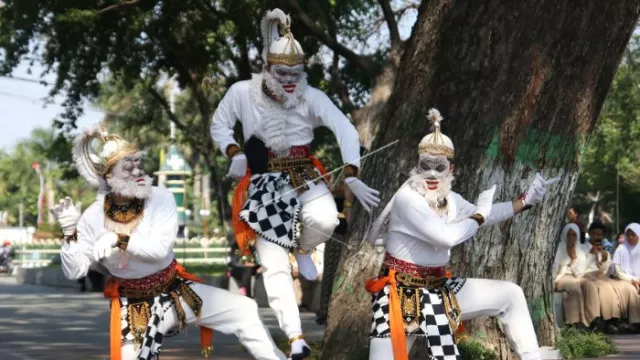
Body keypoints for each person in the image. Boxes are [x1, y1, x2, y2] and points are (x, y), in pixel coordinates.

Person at [210, 8, 379, 358]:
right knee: (272, 265)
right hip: (263, 185)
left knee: (326, 219)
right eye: (282, 72)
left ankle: (302, 250)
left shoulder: (311, 96)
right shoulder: (242, 92)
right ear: (268, 69)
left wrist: (351, 172)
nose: (289, 80)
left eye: (296, 73)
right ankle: (296, 338)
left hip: (303, 175)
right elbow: (219, 125)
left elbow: (345, 128)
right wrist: (234, 152)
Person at [51, 125, 286, 360]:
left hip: (175, 292)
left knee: (244, 310)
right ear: (109, 177)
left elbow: (158, 250)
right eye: (128, 167)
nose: (137, 170)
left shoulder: (162, 198)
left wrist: (119, 238)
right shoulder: (93, 217)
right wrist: (70, 232)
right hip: (135, 305)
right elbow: (75, 271)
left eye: (137, 163)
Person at [365, 109, 559, 360]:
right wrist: (478, 216)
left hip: (438, 288)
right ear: (416, 165)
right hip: (402, 296)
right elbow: (447, 236)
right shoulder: (407, 198)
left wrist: (525, 200)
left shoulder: (451, 200)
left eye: (439, 167)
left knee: (511, 294)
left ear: (450, 168)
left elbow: (487, 214)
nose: (432, 174)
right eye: (426, 166)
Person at [553, 224, 593, 329]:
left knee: (590, 285)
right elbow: (554, 269)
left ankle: (593, 319)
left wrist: (573, 257)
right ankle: (576, 322)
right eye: (568, 235)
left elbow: (579, 273)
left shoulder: (579, 250)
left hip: (577, 276)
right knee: (574, 288)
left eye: (574, 235)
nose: (571, 238)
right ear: (564, 235)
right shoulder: (559, 249)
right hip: (562, 277)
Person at [609, 223, 640, 332]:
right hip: (624, 279)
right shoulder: (621, 249)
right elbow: (618, 271)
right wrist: (632, 280)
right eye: (628, 235)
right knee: (632, 290)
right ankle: (635, 322)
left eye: (633, 235)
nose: (630, 237)